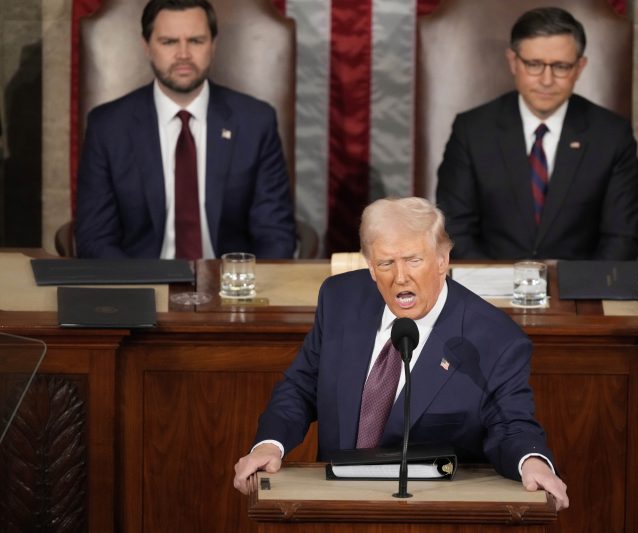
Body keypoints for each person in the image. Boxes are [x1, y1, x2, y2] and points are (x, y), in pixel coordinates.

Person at [233, 196, 569, 510]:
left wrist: (532, 461)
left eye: (413, 260)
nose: (400, 276)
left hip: (430, 514)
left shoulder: (494, 338)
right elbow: (300, 386)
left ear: (442, 260)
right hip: (334, 508)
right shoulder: (341, 300)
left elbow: (511, 424)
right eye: (386, 263)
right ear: (370, 266)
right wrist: (269, 444)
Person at [75, 0, 295, 259]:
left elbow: (275, 234)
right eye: (168, 42)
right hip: (140, 285)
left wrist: (246, 288)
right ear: (147, 47)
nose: (183, 54)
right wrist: (137, 289)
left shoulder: (255, 122)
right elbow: (95, 237)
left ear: (213, 46)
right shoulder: (108, 126)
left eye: (196, 41)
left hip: (231, 288)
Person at [436, 7, 638, 261]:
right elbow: (456, 229)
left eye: (561, 67)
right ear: (513, 62)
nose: (546, 80)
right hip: (490, 290)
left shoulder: (612, 135)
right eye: (534, 65)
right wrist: (494, 287)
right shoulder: (472, 130)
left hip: (579, 291)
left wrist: (582, 289)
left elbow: (622, 237)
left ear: (579, 67)